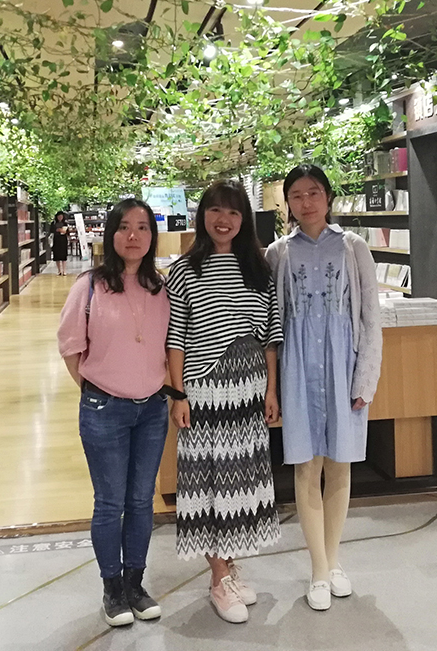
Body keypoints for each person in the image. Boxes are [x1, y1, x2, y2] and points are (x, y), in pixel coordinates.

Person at [265, 164, 382, 612]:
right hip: (297, 370)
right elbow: (270, 323)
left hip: (342, 368)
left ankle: (334, 563)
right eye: (297, 195)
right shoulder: (278, 253)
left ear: (328, 198)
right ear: (288, 203)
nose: (306, 202)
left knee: (340, 466)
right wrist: (272, 386)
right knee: (305, 467)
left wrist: (366, 378)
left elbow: (371, 318)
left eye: (314, 192)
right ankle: (317, 569)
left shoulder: (353, 247)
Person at [165, 181, 282, 624]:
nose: (223, 219)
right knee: (208, 482)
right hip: (204, 389)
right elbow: (175, 338)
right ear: (202, 216)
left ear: (244, 219)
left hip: (248, 389)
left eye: (233, 212)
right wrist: (178, 394)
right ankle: (218, 578)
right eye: (215, 210)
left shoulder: (259, 268)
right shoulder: (184, 269)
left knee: (240, 482)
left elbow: (270, 335)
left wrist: (271, 390)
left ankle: (230, 568)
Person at [56, 199, 171, 627]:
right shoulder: (89, 286)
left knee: (141, 500)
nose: (133, 235)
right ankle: (112, 589)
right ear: (111, 234)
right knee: (109, 503)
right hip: (104, 408)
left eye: (142, 227)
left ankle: (136, 583)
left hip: (152, 409)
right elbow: (70, 346)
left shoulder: (161, 287)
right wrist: (96, 389)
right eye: (124, 227)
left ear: (152, 236)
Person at [50, 210, 71, 276]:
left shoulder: (65, 223)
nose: (60, 218)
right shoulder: (53, 223)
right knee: (57, 255)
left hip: (63, 240)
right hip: (56, 240)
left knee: (63, 255)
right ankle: (59, 270)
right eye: (59, 216)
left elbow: (68, 232)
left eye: (61, 216)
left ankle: (64, 270)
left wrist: (65, 231)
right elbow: (51, 230)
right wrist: (57, 230)